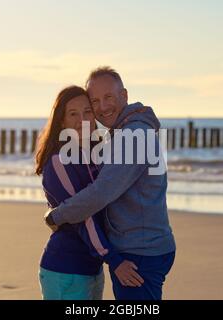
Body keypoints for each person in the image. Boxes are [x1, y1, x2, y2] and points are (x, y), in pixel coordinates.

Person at [45, 67, 176, 300]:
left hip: (139, 251)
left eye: (108, 97)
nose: (102, 107)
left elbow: (101, 192)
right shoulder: (123, 133)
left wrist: (58, 215)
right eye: (95, 101)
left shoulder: (132, 135)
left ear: (123, 96)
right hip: (140, 246)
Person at [35, 85, 142, 300]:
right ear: (61, 121)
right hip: (65, 270)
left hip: (92, 269)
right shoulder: (59, 160)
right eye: (73, 114)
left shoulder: (94, 157)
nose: (82, 120)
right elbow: (82, 215)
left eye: (87, 112)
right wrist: (114, 260)